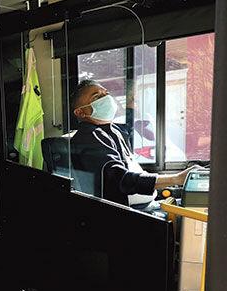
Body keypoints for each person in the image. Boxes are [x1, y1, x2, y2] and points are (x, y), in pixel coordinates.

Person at [70, 80, 200, 206]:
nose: (106, 98)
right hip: (126, 212)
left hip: (145, 204)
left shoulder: (113, 131)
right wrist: (176, 178)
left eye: (106, 93)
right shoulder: (89, 137)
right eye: (97, 97)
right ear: (80, 112)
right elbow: (121, 179)